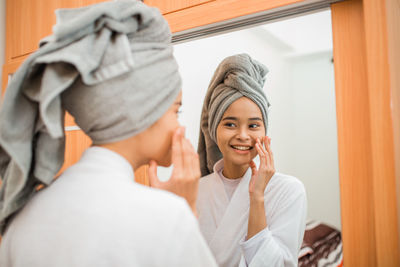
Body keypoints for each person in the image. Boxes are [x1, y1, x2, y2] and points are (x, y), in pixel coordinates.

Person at [0, 1, 217, 266]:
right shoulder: (167, 218)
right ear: (142, 110)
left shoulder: (24, 218)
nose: (180, 127)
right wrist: (187, 211)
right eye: (176, 111)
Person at [197, 54, 307, 267]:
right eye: (230, 124)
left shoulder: (289, 190)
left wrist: (257, 198)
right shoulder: (196, 190)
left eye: (254, 125)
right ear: (213, 129)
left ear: (265, 130)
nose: (243, 135)